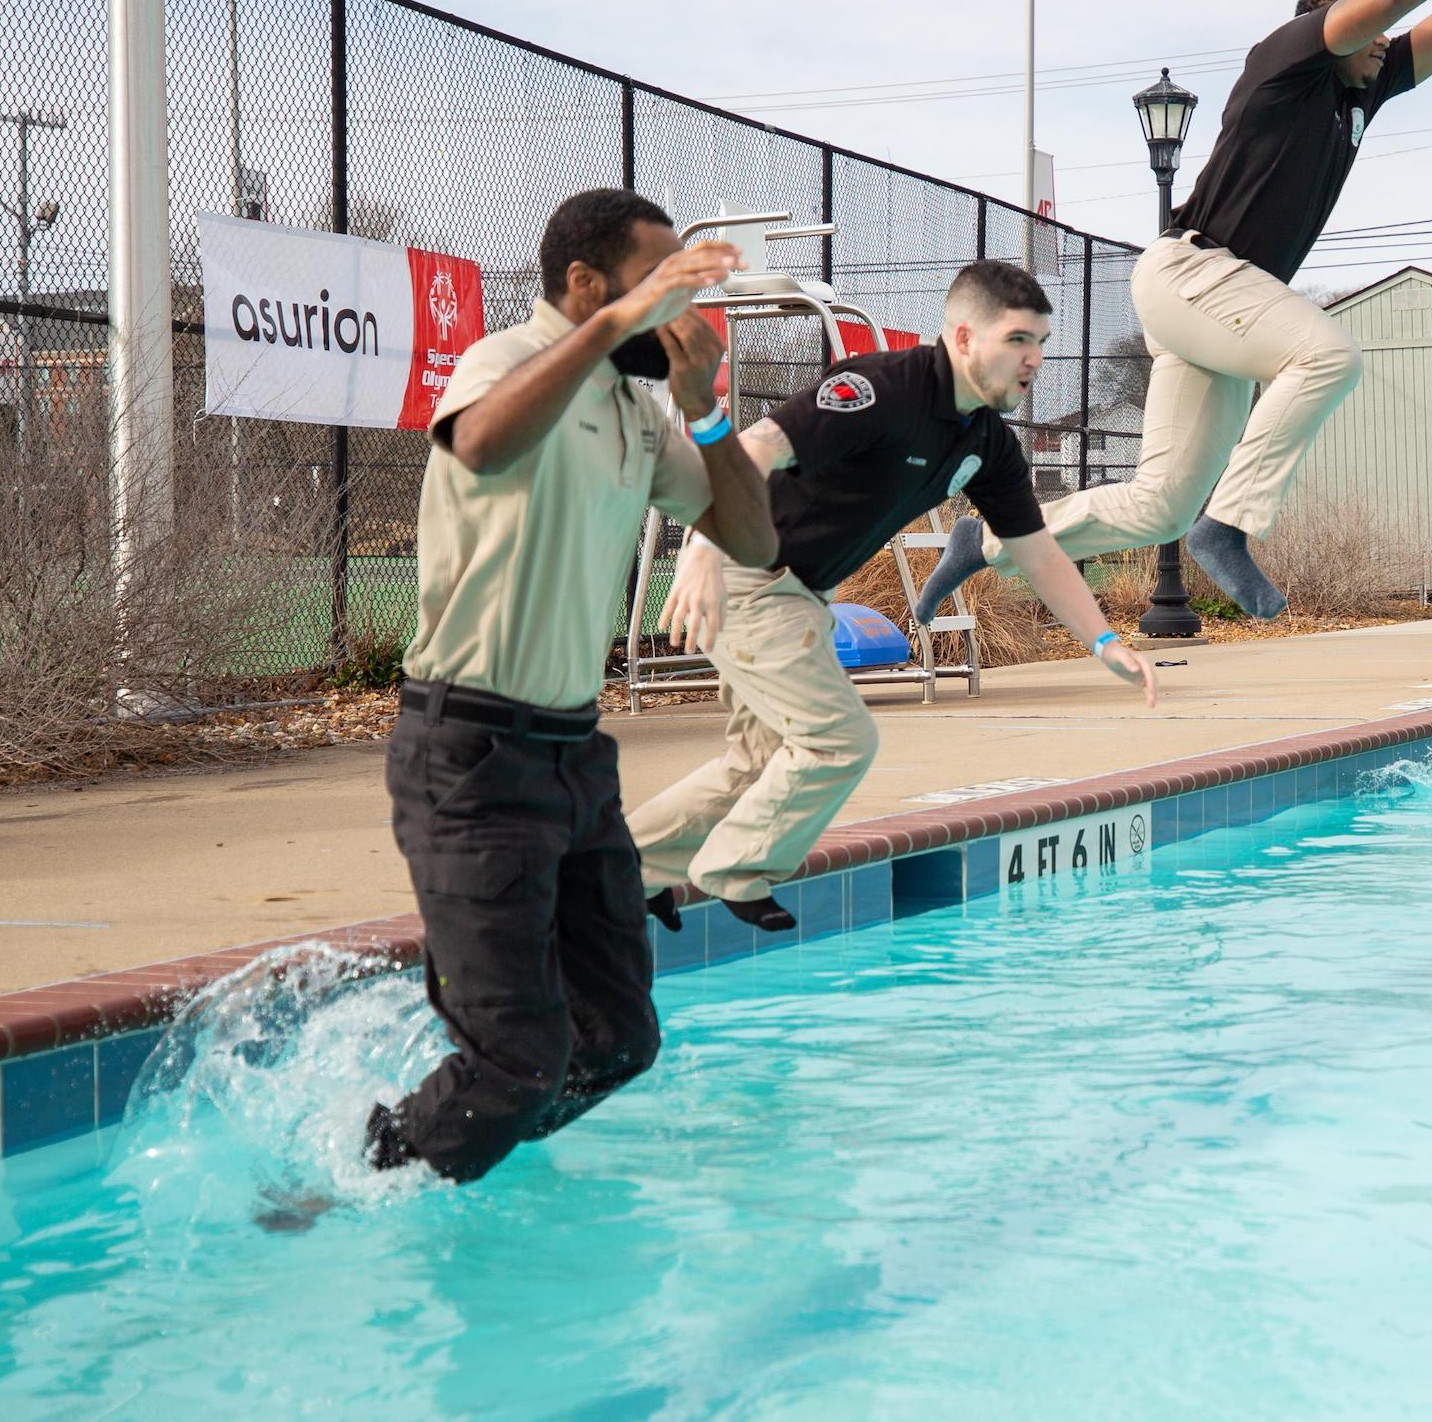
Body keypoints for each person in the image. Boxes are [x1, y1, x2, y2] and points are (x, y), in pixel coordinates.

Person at [918, 0, 1432, 625]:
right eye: (1372, 30)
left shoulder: (1367, 84)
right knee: (1328, 353)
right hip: (1190, 271)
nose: (1387, 40)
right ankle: (1228, 525)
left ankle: (983, 539)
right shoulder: (1288, 59)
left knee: (1158, 506)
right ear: (1329, 27)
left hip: (1219, 308)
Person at [368, 189, 774, 1185]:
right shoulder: (502, 363)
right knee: (517, 1058)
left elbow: (755, 540)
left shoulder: (638, 408)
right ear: (587, 287)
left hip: (575, 760)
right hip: (469, 755)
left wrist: (707, 410)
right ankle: (356, 1180)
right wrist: (608, 333)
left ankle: (434, 1146)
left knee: (618, 1041)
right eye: (661, 285)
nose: (681, 316)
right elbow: (480, 444)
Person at [634, 260, 1158, 929]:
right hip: (747, 577)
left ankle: (623, 865)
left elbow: (1039, 552)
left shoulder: (988, 442)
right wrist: (704, 547)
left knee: (759, 762)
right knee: (839, 740)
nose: (1035, 360)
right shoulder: (881, 388)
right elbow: (757, 445)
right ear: (964, 338)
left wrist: (1105, 642)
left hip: (797, 593)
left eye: (1042, 342)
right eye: (1019, 340)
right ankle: (735, 868)